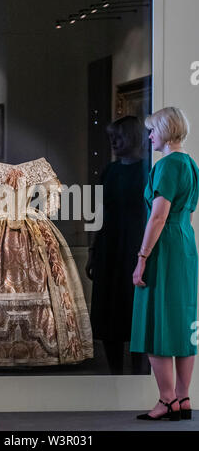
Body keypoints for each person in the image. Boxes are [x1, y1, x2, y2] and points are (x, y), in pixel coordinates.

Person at [130, 106, 199, 420]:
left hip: (165, 247)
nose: (149, 135)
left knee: (155, 323)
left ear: (166, 131)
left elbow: (158, 217)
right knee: (183, 323)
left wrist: (142, 258)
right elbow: (189, 213)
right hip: (185, 243)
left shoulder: (167, 166)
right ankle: (183, 399)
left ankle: (166, 400)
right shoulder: (190, 164)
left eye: (152, 129)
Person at [86, 116, 149, 374]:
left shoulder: (147, 169)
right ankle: (114, 374)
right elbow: (98, 212)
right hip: (109, 247)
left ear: (133, 138)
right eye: (112, 137)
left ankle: (138, 373)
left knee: (133, 311)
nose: (113, 142)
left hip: (134, 246)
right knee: (108, 312)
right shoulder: (109, 171)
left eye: (118, 137)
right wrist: (92, 250)